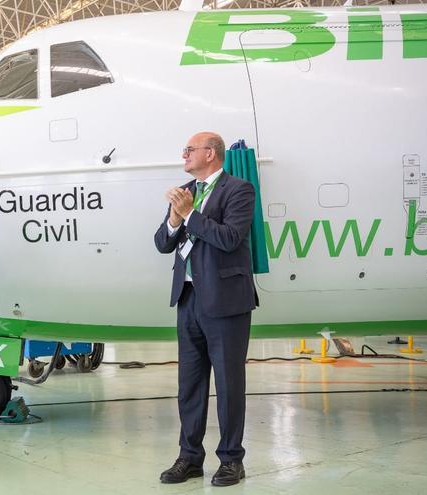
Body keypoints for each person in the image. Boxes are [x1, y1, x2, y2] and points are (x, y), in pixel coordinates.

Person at [153, 132, 258, 487]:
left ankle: (231, 460)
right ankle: (190, 457)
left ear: (210, 153)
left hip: (226, 301)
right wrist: (173, 218)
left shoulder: (239, 189)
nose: (183, 154)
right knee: (190, 385)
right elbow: (162, 243)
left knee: (229, 385)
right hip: (188, 299)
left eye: (190, 150)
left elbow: (230, 238)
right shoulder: (185, 191)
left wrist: (190, 214)